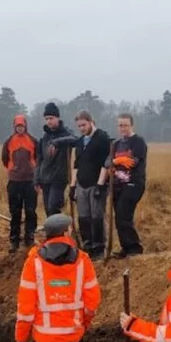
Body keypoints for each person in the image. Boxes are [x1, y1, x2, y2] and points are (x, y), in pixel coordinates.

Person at [14, 213, 101, 342]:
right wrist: (83, 324)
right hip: (74, 340)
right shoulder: (83, 260)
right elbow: (92, 303)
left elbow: (26, 306)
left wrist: (21, 335)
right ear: (66, 233)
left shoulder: (34, 261)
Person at [97, 113, 147, 258]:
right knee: (119, 217)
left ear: (131, 125)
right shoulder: (116, 144)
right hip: (117, 185)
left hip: (133, 184)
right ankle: (126, 247)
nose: (122, 128)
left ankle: (134, 248)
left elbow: (133, 162)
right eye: (120, 125)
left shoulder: (138, 141)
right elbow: (107, 162)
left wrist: (116, 161)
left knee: (123, 215)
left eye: (125, 125)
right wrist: (117, 162)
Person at [70, 110, 111, 259]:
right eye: (79, 126)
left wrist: (101, 184)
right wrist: (73, 186)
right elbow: (76, 164)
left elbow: (105, 163)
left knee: (97, 217)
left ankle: (99, 248)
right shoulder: (80, 142)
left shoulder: (102, 138)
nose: (81, 128)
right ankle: (87, 245)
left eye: (84, 125)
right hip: (82, 183)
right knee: (84, 217)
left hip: (96, 183)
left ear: (91, 122)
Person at [1, 114, 39, 253]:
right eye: (18, 126)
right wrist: (13, 170)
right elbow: (4, 159)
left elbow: (38, 159)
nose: (20, 128)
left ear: (26, 126)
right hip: (14, 182)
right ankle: (14, 240)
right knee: (15, 212)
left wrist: (33, 173)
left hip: (30, 182)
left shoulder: (33, 140)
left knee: (30, 211)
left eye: (22, 126)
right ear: (14, 127)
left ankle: (29, 237)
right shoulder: (9, 141)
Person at [34, 103, 77, 217]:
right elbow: (39, 159)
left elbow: (75, 140)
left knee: (54, 208)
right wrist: (36, 179)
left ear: (58, 118)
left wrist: (57, 142)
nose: (49, 121)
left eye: (51, 118)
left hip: (59, 178)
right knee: (48, 209)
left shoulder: (66, 133)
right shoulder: (44, 137)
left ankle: (59, 233)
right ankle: (52, 234)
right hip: (45, 178)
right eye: (47, 119)